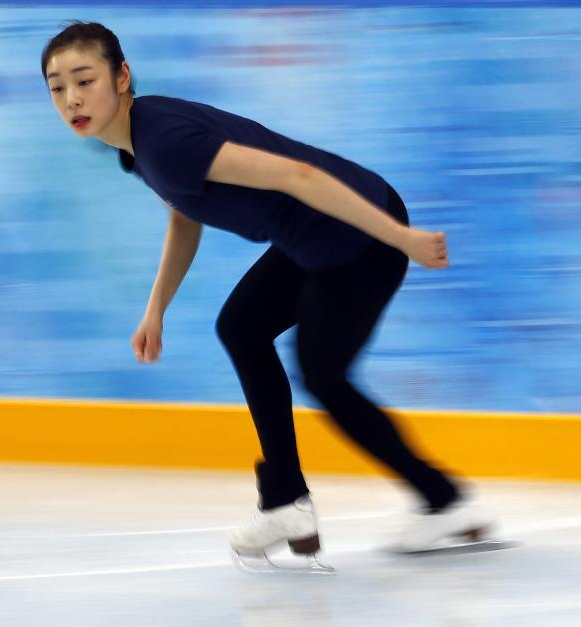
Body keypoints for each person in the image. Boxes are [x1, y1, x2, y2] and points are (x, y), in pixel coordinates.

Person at [41, 21, 494, 569]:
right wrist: (155, 309)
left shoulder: (164, 142)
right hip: (313, 237)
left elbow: (297, 176)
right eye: (57, 86)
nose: (72, 99)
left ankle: (444, 500)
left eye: (84, 80)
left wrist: (399, 238)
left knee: (324, 375)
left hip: (359, 233)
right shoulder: (139, 143)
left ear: (121, 76)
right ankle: (285, 501)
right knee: (241, 327)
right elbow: (184, 218)